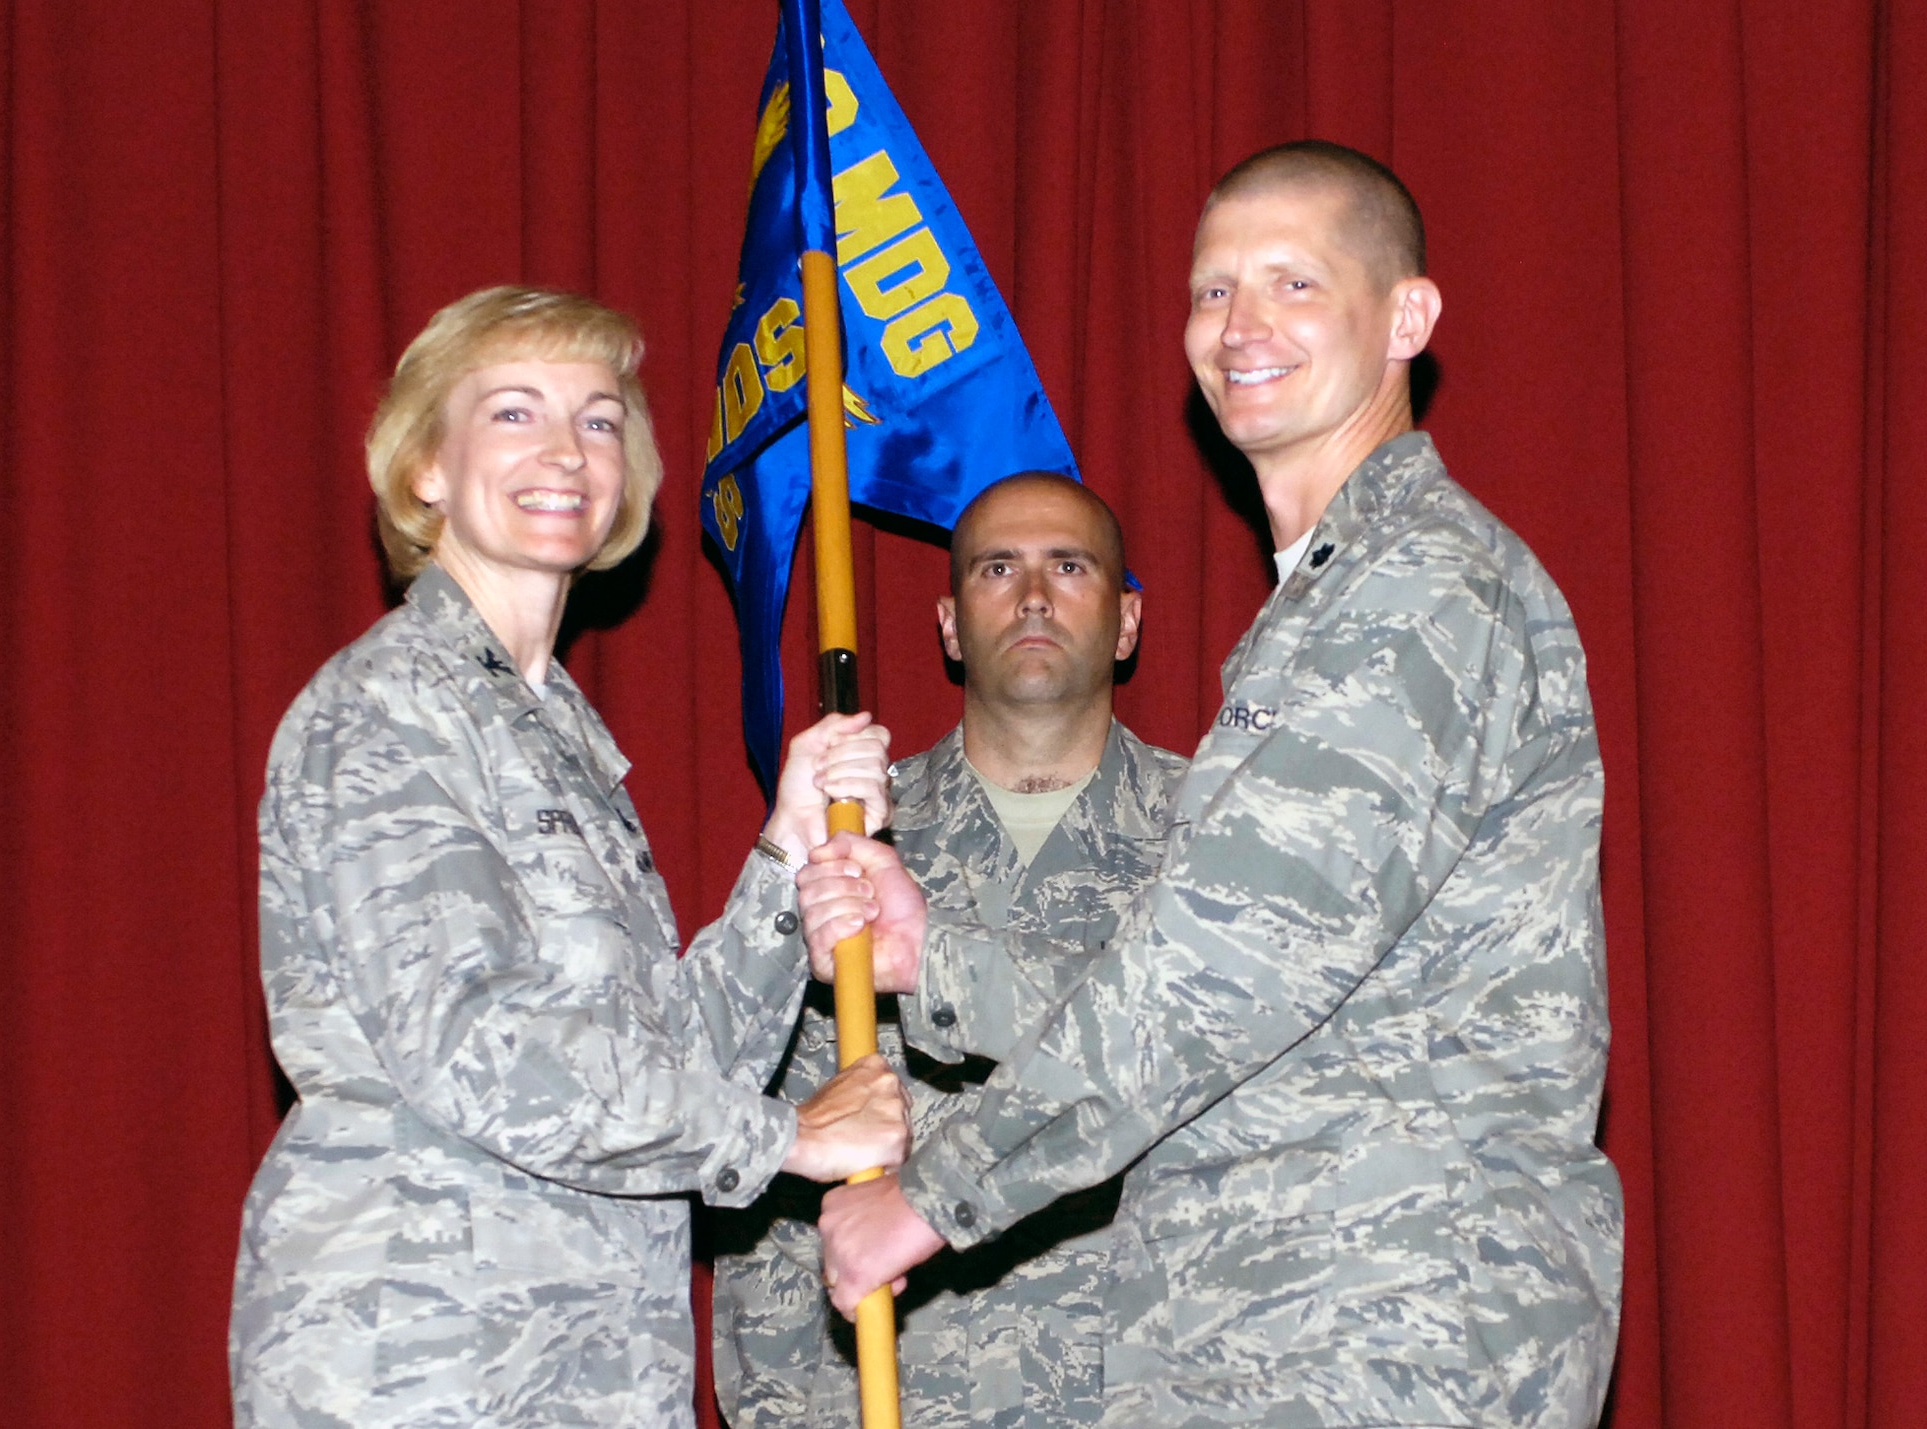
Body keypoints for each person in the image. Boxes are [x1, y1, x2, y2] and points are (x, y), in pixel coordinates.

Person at [801, 141, 1624, 1428]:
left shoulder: (1414, 588)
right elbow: (1264, 995)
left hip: (1384, 1320)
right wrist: (934, 960)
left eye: (1294, 283)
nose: (1240, 327)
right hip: (1282, 1319)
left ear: (1405, 318)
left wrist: (933, 1195)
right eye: (1211, 290)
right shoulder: (1324, 608)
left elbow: (1222, 978)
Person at [229, 285, 910, 1428]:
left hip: (593, 1365)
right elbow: (478, 1048)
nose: (566, 451)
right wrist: (787, 1138)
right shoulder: (390, 707)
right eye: (514, 412)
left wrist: (785, 860)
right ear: (425, 469)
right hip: (423, 1355)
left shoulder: (557, 734)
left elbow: (666, 1060)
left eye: (599, 419)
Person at [712, 473, 1187, 1429]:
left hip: (1157, 1393)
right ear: (949, 624)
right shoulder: (850, 846)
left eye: (1070, 566)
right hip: (905, 1395)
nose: (1034, 596)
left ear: (1128, 621)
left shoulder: (1218, 847)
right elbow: (773, 1164)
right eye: (997, 568)